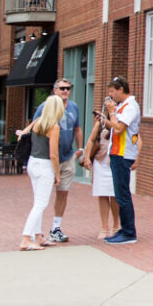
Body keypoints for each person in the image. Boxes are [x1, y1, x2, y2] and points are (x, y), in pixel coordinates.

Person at [31, 79, 82, 243]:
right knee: (41, 198)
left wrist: (80, 148)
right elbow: (34, 126)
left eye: (68, 88)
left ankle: (56, 228)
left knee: (63, 193)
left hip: (67, 157)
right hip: (48, 158)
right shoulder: (44, 107)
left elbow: (77, 128)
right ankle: (34, 232)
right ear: (54, 90)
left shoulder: (74, 107)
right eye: (62, 88)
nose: (66, 91)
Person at [16, 96, 62, 251]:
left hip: (32, 163)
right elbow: (54, 154)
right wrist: (57, 174)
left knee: (37, 201)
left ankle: (38, 236)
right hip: (45, 166)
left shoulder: (37, 122)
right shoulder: (53, 127)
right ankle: (26, 238)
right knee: (41, 204)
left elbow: (22, 134)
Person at [101, 76, 141, 245]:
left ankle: (129, 232)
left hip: (123, 154)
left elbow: (118, 129)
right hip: (117, 152)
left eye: (112, 91)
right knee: (119, 193)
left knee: (122, 194)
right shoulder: (123, 106)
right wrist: (105, 120)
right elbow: (115, 126)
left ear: (121, 89)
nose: (111, 95)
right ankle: (125, 230)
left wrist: (111, 112)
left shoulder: (130, 106)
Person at [81, 107, 120, 240]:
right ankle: (104, 227)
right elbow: (91, 140)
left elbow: (124, 133)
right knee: (102, 194)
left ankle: (116, 226)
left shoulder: (121, 121)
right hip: (101, 162)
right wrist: (86, 157)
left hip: (115, 162)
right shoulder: (101, 123)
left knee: (115, 195)